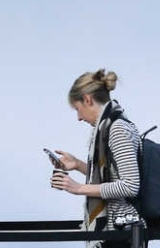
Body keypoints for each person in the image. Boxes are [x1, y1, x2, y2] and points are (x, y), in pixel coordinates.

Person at [50, 69, 143, 248]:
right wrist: (77, 164)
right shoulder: (108, 127)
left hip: (120, 233)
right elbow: (112, 176)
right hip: (116, 230)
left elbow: (130, 185)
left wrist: (79, 188)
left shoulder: (117, 129)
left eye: (77, 109)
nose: (79, 118)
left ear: (87, 99)